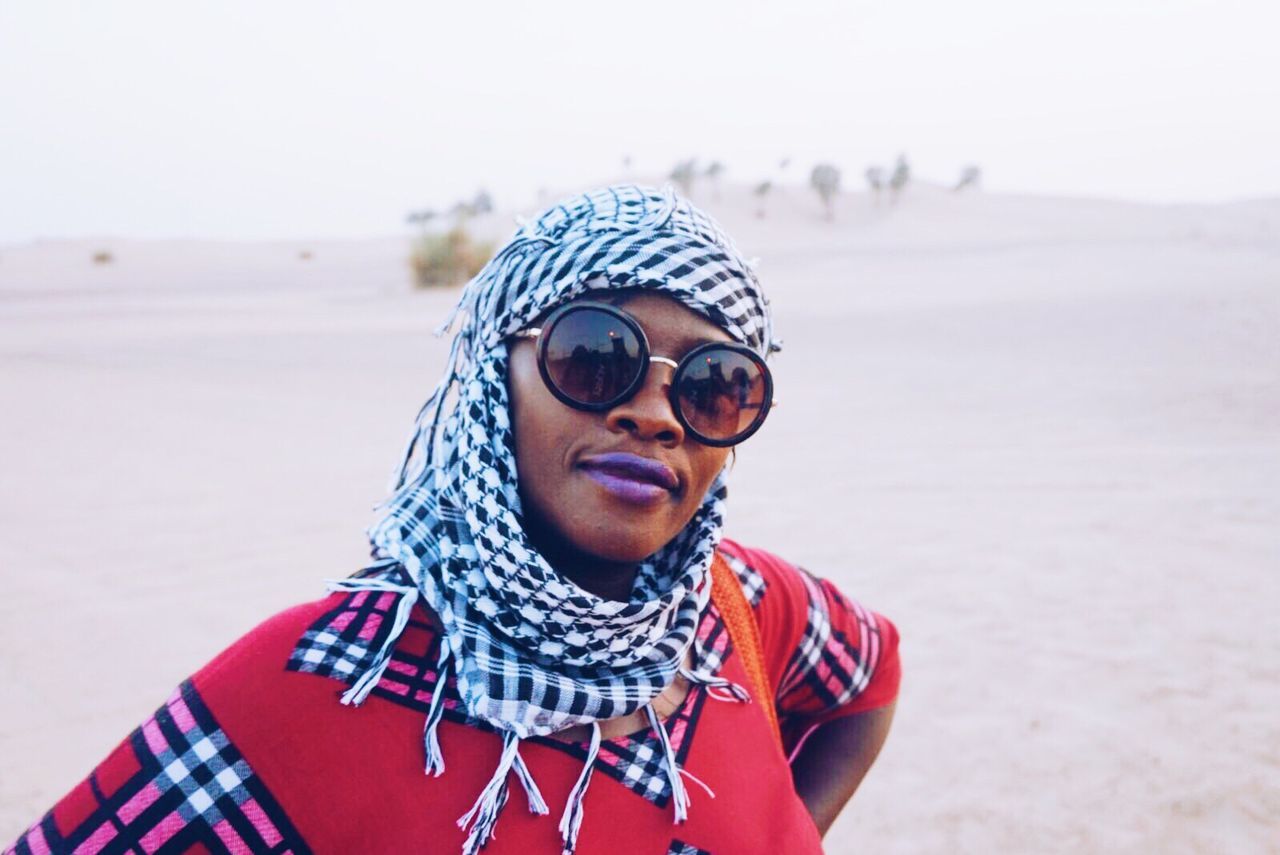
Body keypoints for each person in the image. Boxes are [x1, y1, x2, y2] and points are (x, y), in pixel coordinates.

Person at [6, 185, 900, 855]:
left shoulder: (739, 601)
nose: (656, 414)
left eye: (713, 385)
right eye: (595, 357)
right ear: (490, 380)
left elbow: (874, 674)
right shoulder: (319, 684)